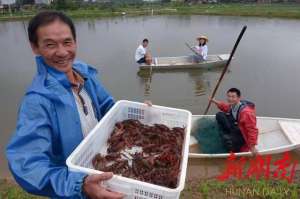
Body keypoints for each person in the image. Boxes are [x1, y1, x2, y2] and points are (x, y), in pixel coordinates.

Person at [6, 11, 126, 199]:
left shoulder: (85, 75)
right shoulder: (37, 101)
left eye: (67, 42)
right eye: (50, 44)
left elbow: (108, 107)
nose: (62, 52)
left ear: (75, 42)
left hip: (104, 169)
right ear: (35, 47)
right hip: (74, 191)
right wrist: (80, 185)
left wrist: (138, 112)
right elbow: (27, 165)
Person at [209, 88, 259, 155]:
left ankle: (234, 143)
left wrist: (252, 146)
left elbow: (252, 130)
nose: (230, 99)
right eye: (229, 96)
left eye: (233, 97)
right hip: (236, 125)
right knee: (219, 115)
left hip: (242, 133)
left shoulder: (246, 113)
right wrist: (214, 101)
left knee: (228, 142)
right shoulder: (233, 105)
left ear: (238, 98)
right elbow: (225, 107)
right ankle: (229, 134)